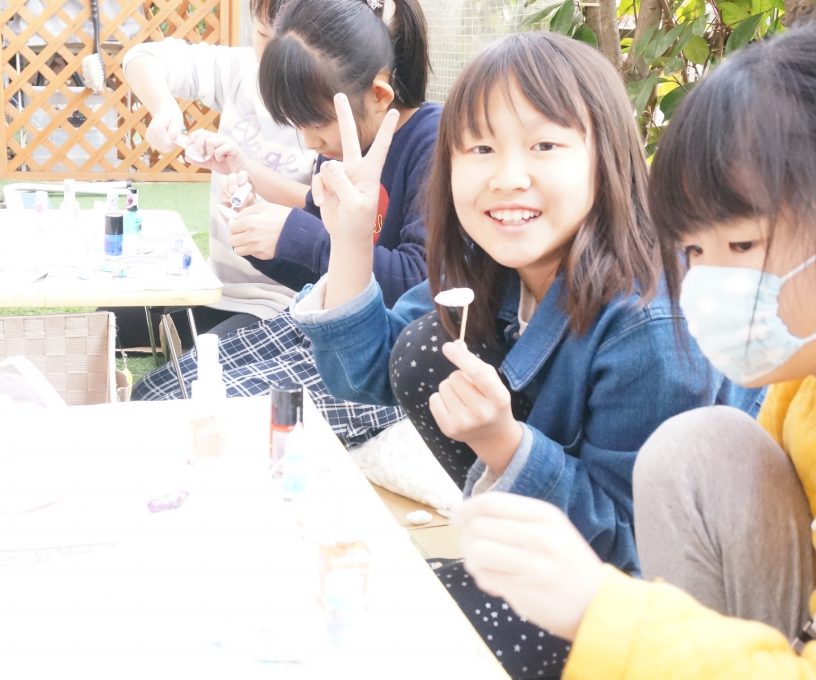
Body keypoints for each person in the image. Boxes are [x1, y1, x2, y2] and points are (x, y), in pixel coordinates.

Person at [290, 32, 760, 677]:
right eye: (481, 148)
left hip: (673, 617)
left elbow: (640, 550)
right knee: (424, 353)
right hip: (553, 560)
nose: (508, 177)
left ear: (606, 157)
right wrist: (350, 237)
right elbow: (367, 373)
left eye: (545, 146)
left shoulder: (651, 322)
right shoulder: (493, 265)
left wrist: (504, 443)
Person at [455, 25, 816, 678]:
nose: (707, 281)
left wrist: (601, 611)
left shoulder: (647, 323)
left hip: (628, 582)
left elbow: (624, 539)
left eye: (740, 245)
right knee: (703, 448)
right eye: (695, 249)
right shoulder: (797, 386)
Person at [133, 0, 440, 449]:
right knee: (152, 393)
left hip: (384, 358)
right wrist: (263, 240)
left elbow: (418, 283)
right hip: (320, 327)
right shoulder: (340, 143)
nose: (310, 143)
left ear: (379, 95)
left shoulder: (432, 143)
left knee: (180, 419)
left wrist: (293, 236)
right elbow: (317, 264)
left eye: (315, 125)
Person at [103, 0, 316, 349]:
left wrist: (245, 168)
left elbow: (320, 205)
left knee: (199, 366)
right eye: (263, 36)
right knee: (106, 324)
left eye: (285, 41)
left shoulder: (326, 101)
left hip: (281, 301)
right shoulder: (241, 69)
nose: (272, 57)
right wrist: (165, 108)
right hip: (214, 286)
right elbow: (142, 57)